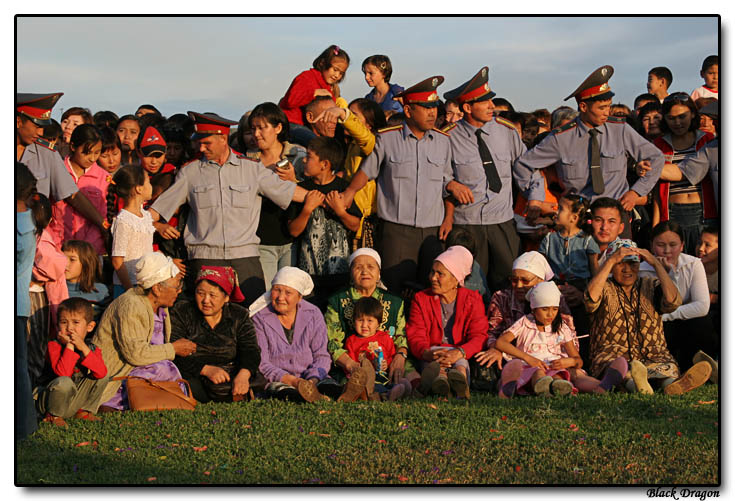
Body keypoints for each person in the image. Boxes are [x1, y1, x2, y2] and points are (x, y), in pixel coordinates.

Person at [149, 111, 308, 306]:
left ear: (223, 138)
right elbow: (158, 210)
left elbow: (289, 192)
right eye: (199, 142)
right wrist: (152, 224)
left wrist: (325, 198)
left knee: (254, 315)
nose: (201, 148)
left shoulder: (252, 169)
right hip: (205, 258)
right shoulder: (190, 172)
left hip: (244, 258)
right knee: (206, 318)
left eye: (207, 143)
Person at [340, 76, 471, 293]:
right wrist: (350, 192)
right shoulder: (387, 139)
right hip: (396, 231)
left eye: (433, 107)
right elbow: (367, 171)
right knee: (393, 288)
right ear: (408, 111)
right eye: (425, 107)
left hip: (433, 231)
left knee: (430, 289)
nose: (432, 113)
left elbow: (446, 181)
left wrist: (449, 217)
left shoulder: (443, 141)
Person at [514, 66, 664, 239]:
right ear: (583, 106)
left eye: (608, 106)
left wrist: (636, 192)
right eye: (601, 108)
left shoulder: (620, 130)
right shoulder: (561, 138)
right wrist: (535, 197)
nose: (607, 113)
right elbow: (524, 165)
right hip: (579, 218)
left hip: (615, 214)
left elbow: (656, 157)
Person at [584, 239, 710, 395]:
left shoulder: (650, 285)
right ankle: (637, 386)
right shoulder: (603, 286)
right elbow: (590, 300)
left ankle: (672, 386)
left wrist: (656, 264)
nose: (627, 269)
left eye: (632, 264)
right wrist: (610, 261)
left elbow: (673, 302)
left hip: (653, 355)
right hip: (613, 356)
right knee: (621, 371)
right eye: (620, 263)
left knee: (665, 369)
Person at [442, 66, 526, 292]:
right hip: (467, 223)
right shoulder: (447, 137)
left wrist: (535, 199)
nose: (492, 106)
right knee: (470, 287)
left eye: (491, 100)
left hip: (502, 222)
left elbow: (526, 168)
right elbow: (436, 174)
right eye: (485, 102)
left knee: (509, 285)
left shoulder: (507, 132)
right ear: (467, 107)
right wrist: (449, 183)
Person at [93, 252, 197, 411]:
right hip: (120, 373)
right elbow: (135, 354)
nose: (179, 291)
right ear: (157, 288)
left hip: (143, 367)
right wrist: (173, 349)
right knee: (162, 369)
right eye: (176, 286)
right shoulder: (131, 305)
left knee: (166, 369)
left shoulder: (161, 306)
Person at [495, 282, 626, 398]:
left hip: (557, 369)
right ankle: (529, 387)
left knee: (571, 375)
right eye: (545, 309)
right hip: (531, 367)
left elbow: (578, 360)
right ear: (533, 309)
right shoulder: (525, 323)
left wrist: (568, 362)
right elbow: (501, 342)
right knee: (538, 373)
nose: (550, 314)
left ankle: (602, 386)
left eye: (555, 309)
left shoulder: (561, 327)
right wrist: (528, 358)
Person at [16, 93, 108, 239]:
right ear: (18, 122)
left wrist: (102, 225)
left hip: (34, 238)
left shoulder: (47, 154)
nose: (40, 132)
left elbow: (72, 194)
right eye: (36, 126)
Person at [325, 248, 416, 388]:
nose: (365, 271)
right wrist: (350, 365)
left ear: (379, 273)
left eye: (370, 267)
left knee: (412, 377)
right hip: (350, 363)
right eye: (358, 267)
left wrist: (400, 356)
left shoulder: (395, 302)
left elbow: (400, 336)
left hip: (388, 359)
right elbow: (332, 342)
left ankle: (423, 387)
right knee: (352, 384)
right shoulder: (337, 301)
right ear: (350, 273)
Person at [473, 251, 577, 373]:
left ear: (541, 281)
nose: (518, 285)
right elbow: (491, 333)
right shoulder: (501, 298)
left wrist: (564, 360)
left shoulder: (554, 299)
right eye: (514, 280)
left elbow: (571, 340)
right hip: (512, 358)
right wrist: (496, 348)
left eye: (525, 280)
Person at [406, 246, 488, 399]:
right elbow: (415, 333)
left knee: (460, 367)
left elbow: (479, 335)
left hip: (459, 351)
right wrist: (427, 353)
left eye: (440, 274)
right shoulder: (421, 299)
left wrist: (459, 352)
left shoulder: (472, 299)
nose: (433, 278)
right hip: (432, 352)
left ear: (455, 280)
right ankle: (442, 386)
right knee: (436, 370)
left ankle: (460, 386)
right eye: (432, 272)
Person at [170, 266, 261, 403]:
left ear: (226, 298)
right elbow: (173, 350)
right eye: (200, 293)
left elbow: (250, 350)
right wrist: (205, 369)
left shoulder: (239, 315)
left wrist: (243, 375)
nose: (206, 300)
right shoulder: (182, 311)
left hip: (230, 372)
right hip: (193, 374)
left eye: (212, 295)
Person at [288, 136, 361, 303]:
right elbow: (293, 230)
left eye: (309, 156)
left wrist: (340, 212)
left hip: (339, 272)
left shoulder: (343, 188)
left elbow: (355, 225)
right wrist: (307, 209)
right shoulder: (302, 190)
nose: (304, 160)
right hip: (308, 273)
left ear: (325, 164)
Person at [250, 267, 337, 403]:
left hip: (311, 377)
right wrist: (294, 382)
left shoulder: (313, 314)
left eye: (288, 293)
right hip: (279, 379)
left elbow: (321, 355)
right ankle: (307, 397)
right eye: (276, 290)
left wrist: (312, 381)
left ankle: (341, 393)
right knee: (285, 393)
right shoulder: (259, 318)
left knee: (329, 386)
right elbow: (263, 363)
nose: (280, 297)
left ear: (300, 297)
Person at [639, 221, 716, 372]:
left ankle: (700, 368)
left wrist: (666, 316)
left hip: (677, 321)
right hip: (658, 328)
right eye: (661, 245)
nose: (667, 250)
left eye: (673, 245)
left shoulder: (693, 264)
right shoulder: (642, 270)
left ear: (682, 245)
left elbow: (702, 306)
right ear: (652, 246)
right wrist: (665, 272)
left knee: (702, 323)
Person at [244, 102, 307, 286]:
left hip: (292, 239)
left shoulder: (298, 154)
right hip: (261, 239)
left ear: (278, 127)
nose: (256, 134)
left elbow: (312, 192)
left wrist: (293, 180)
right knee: (268, 292)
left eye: (262, 128)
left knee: (290, 289)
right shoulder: (248, 160)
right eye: (253, 128)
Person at [311, 98, 385, 248]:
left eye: (354, 116)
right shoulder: (352, 145)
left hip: (365, 224)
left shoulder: (373, 144)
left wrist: (343, 113)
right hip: (349, 215)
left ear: (369, 125)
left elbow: (363, 136)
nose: (344, 119)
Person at [650, 93, 715, 253]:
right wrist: (657, 224)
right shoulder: (658, 144)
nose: (677, 122)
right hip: (672, 213)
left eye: (682, 116)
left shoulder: (708, 140)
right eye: (671, 118)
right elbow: (658, 191)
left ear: (693, 114)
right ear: (664, 118)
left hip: (704, 213)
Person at [37, 298, 108, 427]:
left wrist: (83, 348)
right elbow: (63, 373)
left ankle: (83, 411)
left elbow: (101, 373)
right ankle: (54, 416)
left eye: (76, 322)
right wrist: (70, 345)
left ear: (90, 326)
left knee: (102, 376)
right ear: (58, 325)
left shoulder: (91, 348)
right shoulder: (54, 345)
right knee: (65, 382)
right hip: (50, 401)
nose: (69, 328)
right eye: (64, 322)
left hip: (72, 402)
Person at [28, 193, 69, 387]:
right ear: (50, 219)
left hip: (33, 295)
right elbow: (53, 266)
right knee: (34, 346)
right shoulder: (42, 238)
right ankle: (30, 393)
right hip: (34, 298)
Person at [49, 124, 109, 255]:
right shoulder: (55, 171)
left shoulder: (104, 179)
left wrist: (85, 251)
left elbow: (104, 218)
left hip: (89, 253)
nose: (92, 158)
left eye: (97, 153)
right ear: (73, 146)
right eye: (86, 153)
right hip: (55, 249)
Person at [278, 45, 350, 147]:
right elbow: (290, 100)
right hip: (291, 124)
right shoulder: (306, 77)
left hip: (308, 127)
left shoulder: (328, 87)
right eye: (335, 69)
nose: (337, 75)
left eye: (341, 73)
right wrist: (314, 93)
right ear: (322, 63)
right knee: (316, 144)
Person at [344, 297, 412, 400]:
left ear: (378, 323)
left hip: (385, 375)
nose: (364, 325)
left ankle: (398, 390)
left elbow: (391, 356)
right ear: (354, 321)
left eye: (370, 320)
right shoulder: (352, 341)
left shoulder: (384, 338)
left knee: (401, 382)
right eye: (360, 320)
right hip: (368, 379)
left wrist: (386, 364)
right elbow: (351, 366)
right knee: (376, 386)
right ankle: (386, 395)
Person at [107, 165, 155, 297]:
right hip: (127, 286)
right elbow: (117, 260)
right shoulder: (123, 221)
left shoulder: (146, 216)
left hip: (145, 283)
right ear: (139, 188)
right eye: (148, 182)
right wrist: (130, 290)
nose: (151, 186)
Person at [16, 162, 39, 440]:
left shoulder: (18, 226)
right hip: (19, 306)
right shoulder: (27, 219)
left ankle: (22, 426)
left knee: (17, 369)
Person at [539, 193, 600, 287]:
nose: (556, 212)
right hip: (554, 286)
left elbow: (595, 270)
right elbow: (541, 267)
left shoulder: (587, 240)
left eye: (560, 209)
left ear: (574, 218)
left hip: (581, 287)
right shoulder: (549, 239)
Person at [62, 240, 110, 319]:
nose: (65, 263)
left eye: (72, 259)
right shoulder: (55, 291)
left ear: (86, 263)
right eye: (63, 258)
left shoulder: (100, 292)